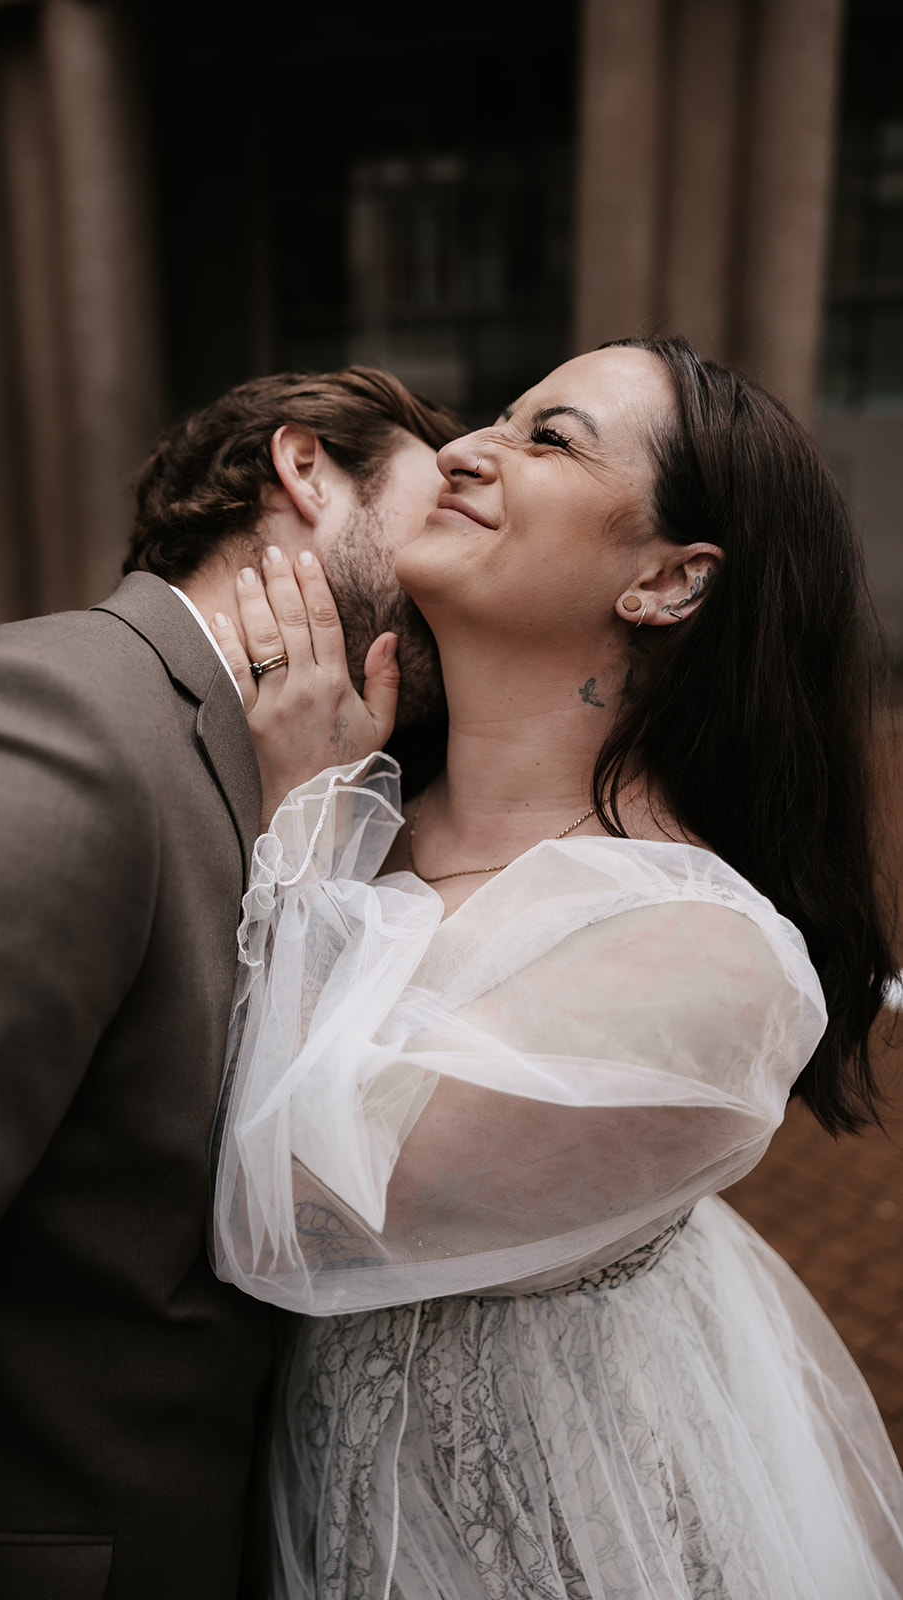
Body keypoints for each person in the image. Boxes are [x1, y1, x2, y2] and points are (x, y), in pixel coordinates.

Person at [212, 337, 903, 1598]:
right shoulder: (357, 802)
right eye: (501, 413)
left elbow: (306, 1213)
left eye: (549, 437)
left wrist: (306, 822)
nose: (463, 449)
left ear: (668, 579)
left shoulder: (704, 955)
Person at [0, 366, 461, 1599]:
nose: (453, 568)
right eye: (436, 508)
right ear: (303, 468)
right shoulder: (54, 716)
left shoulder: (307, 787)